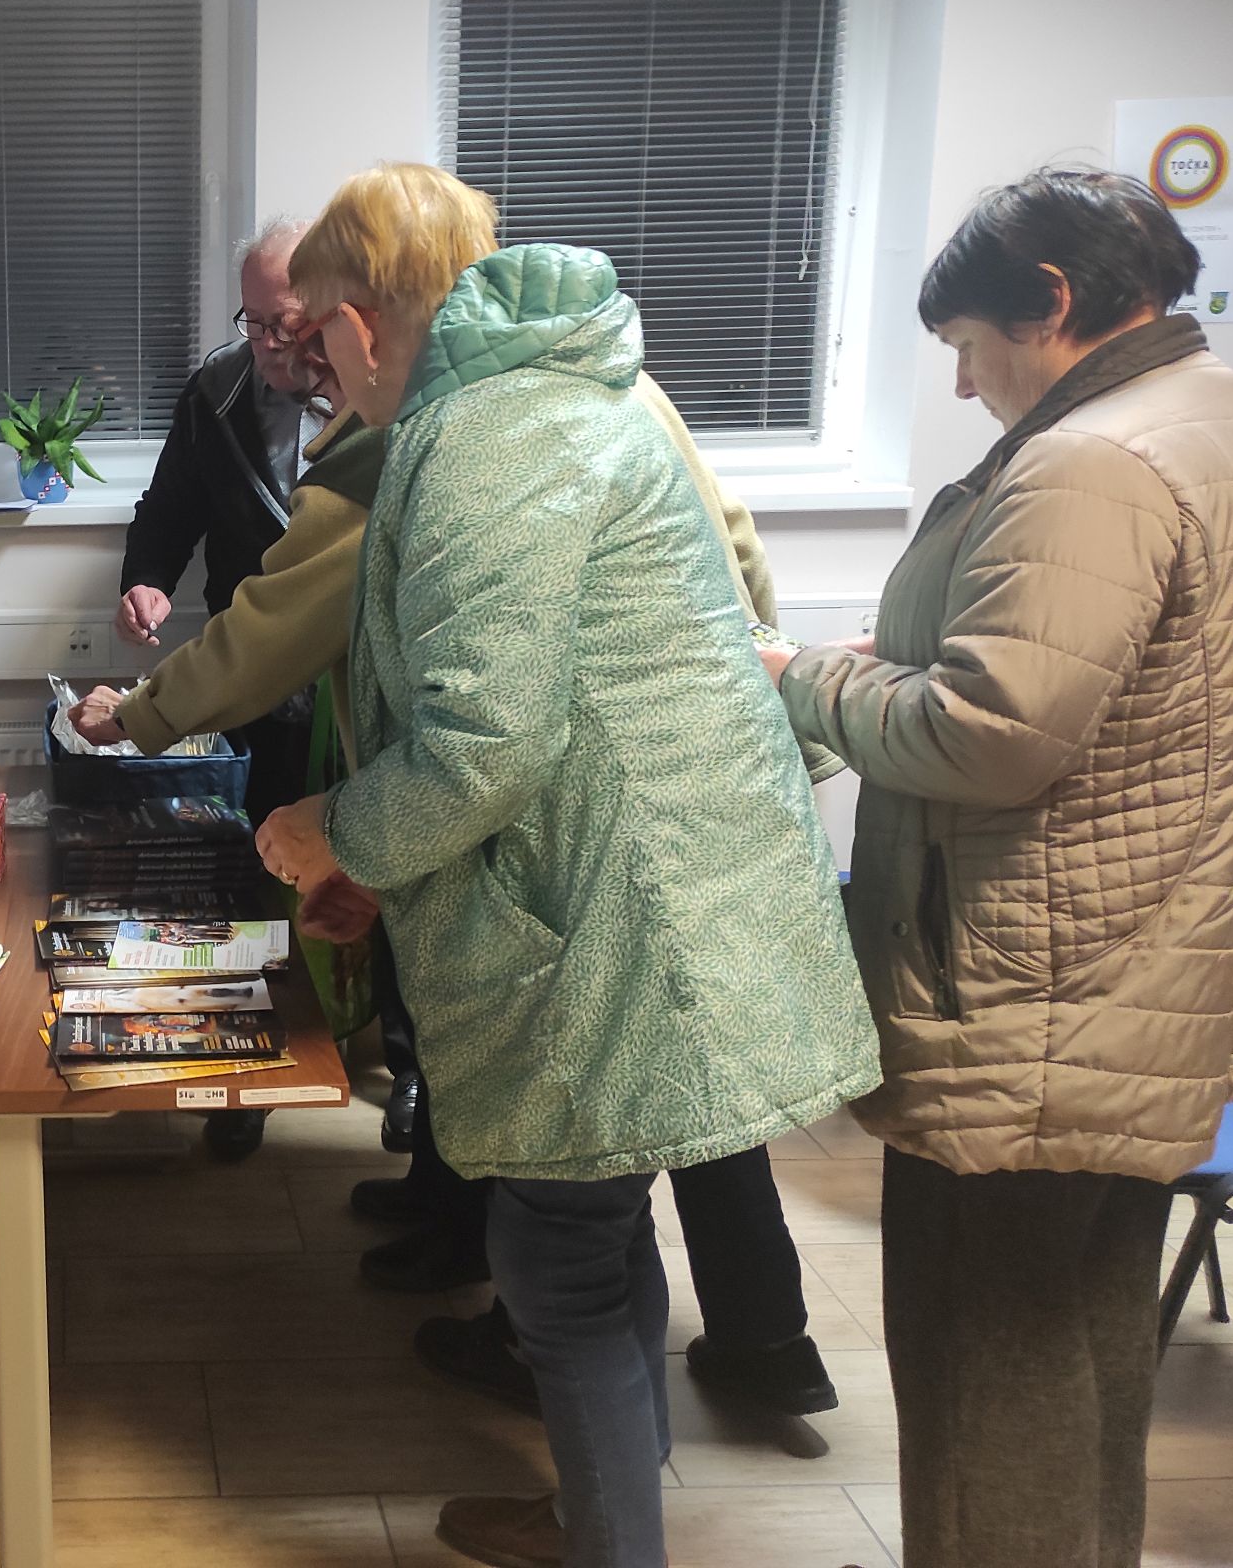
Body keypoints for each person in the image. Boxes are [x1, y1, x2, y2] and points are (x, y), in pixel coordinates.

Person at [254, 162, 878, 1568]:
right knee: (595, 1226)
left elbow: (486, 743)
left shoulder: (487, 436)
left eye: (312, 329)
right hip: (642, 894)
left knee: (560, 1258)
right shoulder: (541, 403)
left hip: (624, 920)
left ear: (363, 320)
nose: (307, 359)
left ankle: (604, 1541)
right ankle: (595, 1510)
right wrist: (383, 867)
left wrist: (334, 827)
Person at [772, 169, 1233, 1568]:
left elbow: (990, 735)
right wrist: (907, 659)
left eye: (971, 346)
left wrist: (803, 677)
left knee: (983, 1371)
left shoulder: (1091, 460)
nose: (967, 385)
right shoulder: (1205, 413)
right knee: (1083, 1340)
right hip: (1141, 973)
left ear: (1053, 301)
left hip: (1028, 993)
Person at [113, 218, 342, 1161]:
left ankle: (405, 1069)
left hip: (352, 683)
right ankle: (244, 1067)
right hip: (254, 678)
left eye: (288, 323)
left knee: (380, 874)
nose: (272, 345)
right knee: (250, 878)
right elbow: (170, 507)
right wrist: (147, 577)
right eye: (254, 323)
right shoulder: (216, 389)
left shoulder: (378, 397)